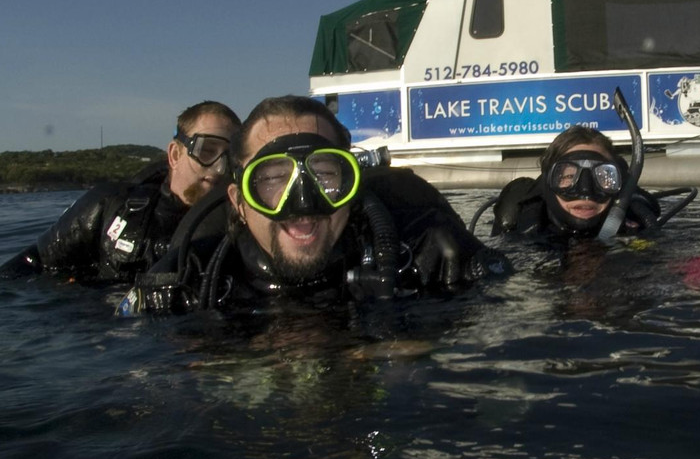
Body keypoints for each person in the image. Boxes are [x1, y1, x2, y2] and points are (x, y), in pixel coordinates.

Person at [121, 95, 509, 313]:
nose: (302, 203)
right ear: (239, 202)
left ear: (352, 186)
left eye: (325, 174)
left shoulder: (426, 258)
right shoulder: (191, 282)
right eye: (272, 180)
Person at [0, 100, 241, 283]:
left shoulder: (241, 225)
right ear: (175, 155)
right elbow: (30, 265)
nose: (220, 168)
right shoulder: (110, 207)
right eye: (207, 151)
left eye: (229, 158)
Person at [489, 125, 664, 239]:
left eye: (602, 176)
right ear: (548, 180)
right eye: (567, 176)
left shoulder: (635, 230)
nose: (586, 191)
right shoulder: (524, 230)